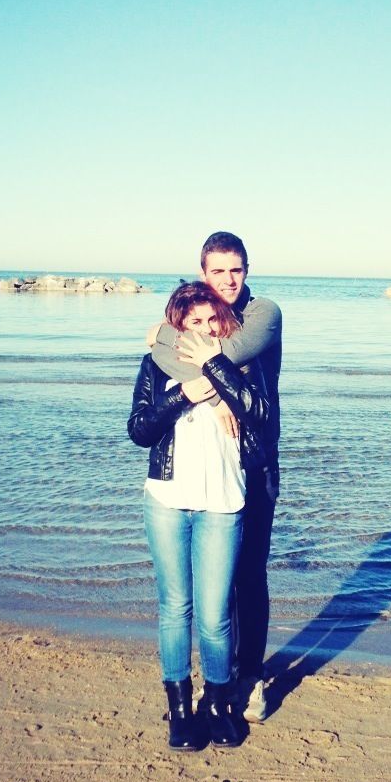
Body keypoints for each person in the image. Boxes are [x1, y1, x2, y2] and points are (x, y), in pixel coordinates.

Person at [127, 281, 271, 751]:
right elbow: (140, 429)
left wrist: (215, 369)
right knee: (175, 608)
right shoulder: (156, 365)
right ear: (178, 327)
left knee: (214, 616)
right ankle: (180, 708)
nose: (206, 328)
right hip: (168, 499)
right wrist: (184, 394)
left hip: (225, 501)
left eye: (213, 321)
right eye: (195, 322)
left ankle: (220, 704)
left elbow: (258, 414)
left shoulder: (241, 366)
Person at [149, 232, 281, 724]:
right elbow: (165, 356)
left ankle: (249, 678)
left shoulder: (264, 313)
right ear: (203, 272)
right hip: (210, 464)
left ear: (247, 270)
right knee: (208, 588)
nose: (227, 280)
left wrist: (167, 336)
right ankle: (215, 681)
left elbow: (222, 355)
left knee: (248, 576)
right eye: (217, 271)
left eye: (236, 269)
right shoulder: (200, 315)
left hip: (255, 461)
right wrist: (164, 339)